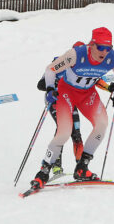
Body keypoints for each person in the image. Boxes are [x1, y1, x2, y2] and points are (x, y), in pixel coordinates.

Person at [29, 27, 114, 190]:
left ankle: (82, 167)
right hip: (67, 92)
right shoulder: (75, 54)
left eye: (108, 48)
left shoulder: (113, 58)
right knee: (64, 133)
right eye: (101, 47)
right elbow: (50, 69)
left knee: (102, 124)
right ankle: (43, 172)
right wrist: (50, 89)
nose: (104, 52)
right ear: (92, 44)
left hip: (88, 94)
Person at [36, 42, 86, 180]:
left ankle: (80, 168)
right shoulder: (59, 62)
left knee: (76, 132)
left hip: (70, 101)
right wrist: (54, 86)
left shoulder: (83, 67)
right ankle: (56, 167)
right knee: (63, 130)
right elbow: (40, 84)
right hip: (55, 101)